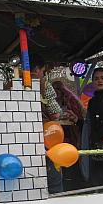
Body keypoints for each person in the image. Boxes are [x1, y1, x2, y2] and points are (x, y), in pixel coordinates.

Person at [30, 54, 63, 194]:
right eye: (43, 71)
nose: (42, 74)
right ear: (38, 69)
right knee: (53, 178)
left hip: (22, 139)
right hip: (45, 137)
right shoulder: (44, 85)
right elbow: (55, 114)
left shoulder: (13, 84)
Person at [52, 80, 86, 191]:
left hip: (72, 137)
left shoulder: (70, 101)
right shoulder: (54, 103)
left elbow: (80, 118)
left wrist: (72, 118)